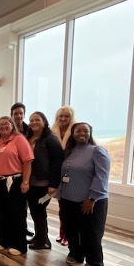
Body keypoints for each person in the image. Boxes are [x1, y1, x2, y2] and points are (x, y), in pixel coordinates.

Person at [59, 123, 110, 266]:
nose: (82, 133)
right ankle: (76, 254)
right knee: (71, 229)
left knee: (90, 232)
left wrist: (92, 198)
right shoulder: (70, 151)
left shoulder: (97, 151)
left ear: (90, 133)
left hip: (89, 200)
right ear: (73, 133)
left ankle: (94, 261)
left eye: (85, 131)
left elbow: (102, 176)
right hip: (68, 198)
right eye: (78, 131)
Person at [0, 116, 34, 256]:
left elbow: (27, 161)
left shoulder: (19, 139)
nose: (3, 126)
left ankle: (19, 245)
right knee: (1, 213)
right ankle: (3, 240)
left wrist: (25, 182)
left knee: (16, 213)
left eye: (6, 123)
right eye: (0, 124)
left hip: (14, 182)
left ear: (12, 125)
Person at [25, 112, 63, 250]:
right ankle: (40, 236)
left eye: (37, 120)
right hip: (31, 181)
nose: (34, 122)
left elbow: (57, 162)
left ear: (44, 122)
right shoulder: (29, 137)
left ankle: (43, 241)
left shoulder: (51, 139)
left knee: (39, 211)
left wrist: (53, 184)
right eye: (31, 120)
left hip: (44, 183)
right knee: (35, 210)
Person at [51, 105, 76, 246]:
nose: (63, 118)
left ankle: (69, 235)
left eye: (66, 116)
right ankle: (62, 233)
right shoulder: (52, 132)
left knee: (69, 208)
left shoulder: (75, 132)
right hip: (57, 173)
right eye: (61, 116)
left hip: (71, 173)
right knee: (62, 207)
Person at [9, 102, 33, 239]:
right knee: (15, 204)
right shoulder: (6, 128)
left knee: (24, 204)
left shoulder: (29, 130)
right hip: (12, 172)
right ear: (11, 115)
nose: (18, 116)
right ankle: (16, 228)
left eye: (20, 113)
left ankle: (23, 227)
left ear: (24, 114)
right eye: (15, 114)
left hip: (27, 170)